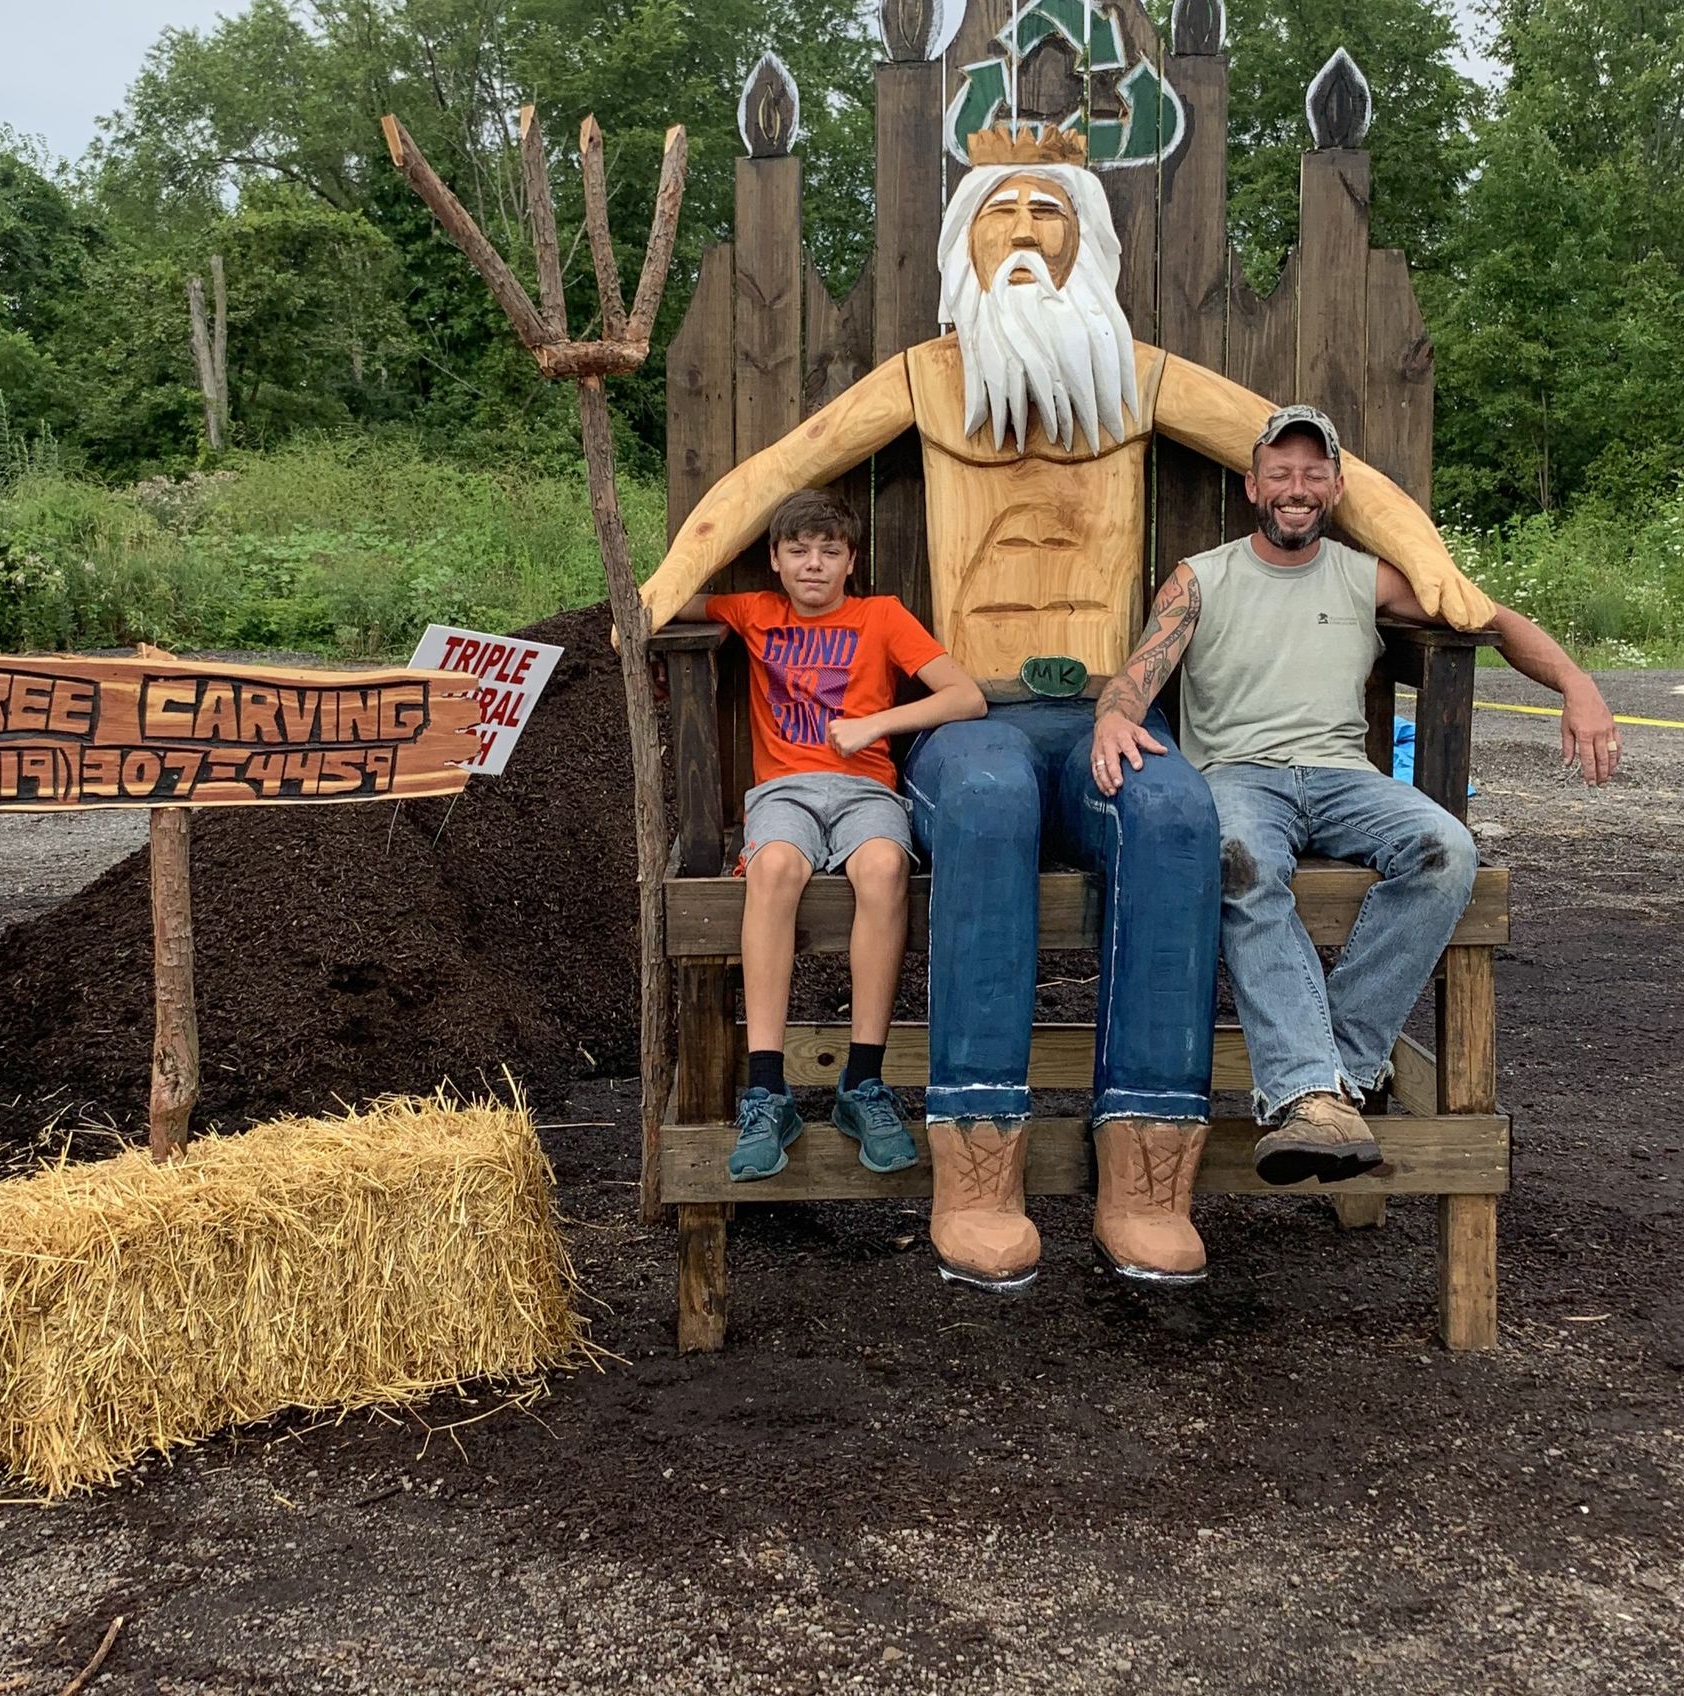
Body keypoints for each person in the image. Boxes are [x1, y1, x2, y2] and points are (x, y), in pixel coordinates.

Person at [642, 121, 1492, 1294]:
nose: (1030, 236)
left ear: (1089, 241)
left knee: (1181, 820)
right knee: (984, 803)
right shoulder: (929, 378)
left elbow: (1328, 471)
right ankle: (976, 1165)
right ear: (966, 241)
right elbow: (762, 477)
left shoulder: (1136, 377)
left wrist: (1430, 559)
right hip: (970, 715)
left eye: (1053, 215)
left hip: (1109, 709)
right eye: (1006, 213)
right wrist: (655, 589)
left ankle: (1148, 1169)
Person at [1091, 405, 1621, 1181]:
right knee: (1237, 860)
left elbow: (1495, 620)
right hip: (1239, 778)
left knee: (1447, 849)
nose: (1296, 488)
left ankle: (1325, 1077)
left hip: (1344, 778)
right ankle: (1326, 1084)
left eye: (1313, 474)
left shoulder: (1366, 577)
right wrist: (1112, 720)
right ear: (1253, 486)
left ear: (1335, 487)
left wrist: (1578, 684)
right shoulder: (1201, 577)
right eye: (1281, 473)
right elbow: (1138, 675)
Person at [674, 489, 986, 1183]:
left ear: (850, 563)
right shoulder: (753, 611)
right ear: (775, 562)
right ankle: (766, 1090)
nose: (813, 564)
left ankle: (862, 1083)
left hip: (866, 788)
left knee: (882, 868)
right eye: (797, 551)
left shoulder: (881, 616)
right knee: (775, 866)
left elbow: (966, 696)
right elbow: (657, 604)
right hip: (782, 792)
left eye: (829, 551)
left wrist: (877, 726)